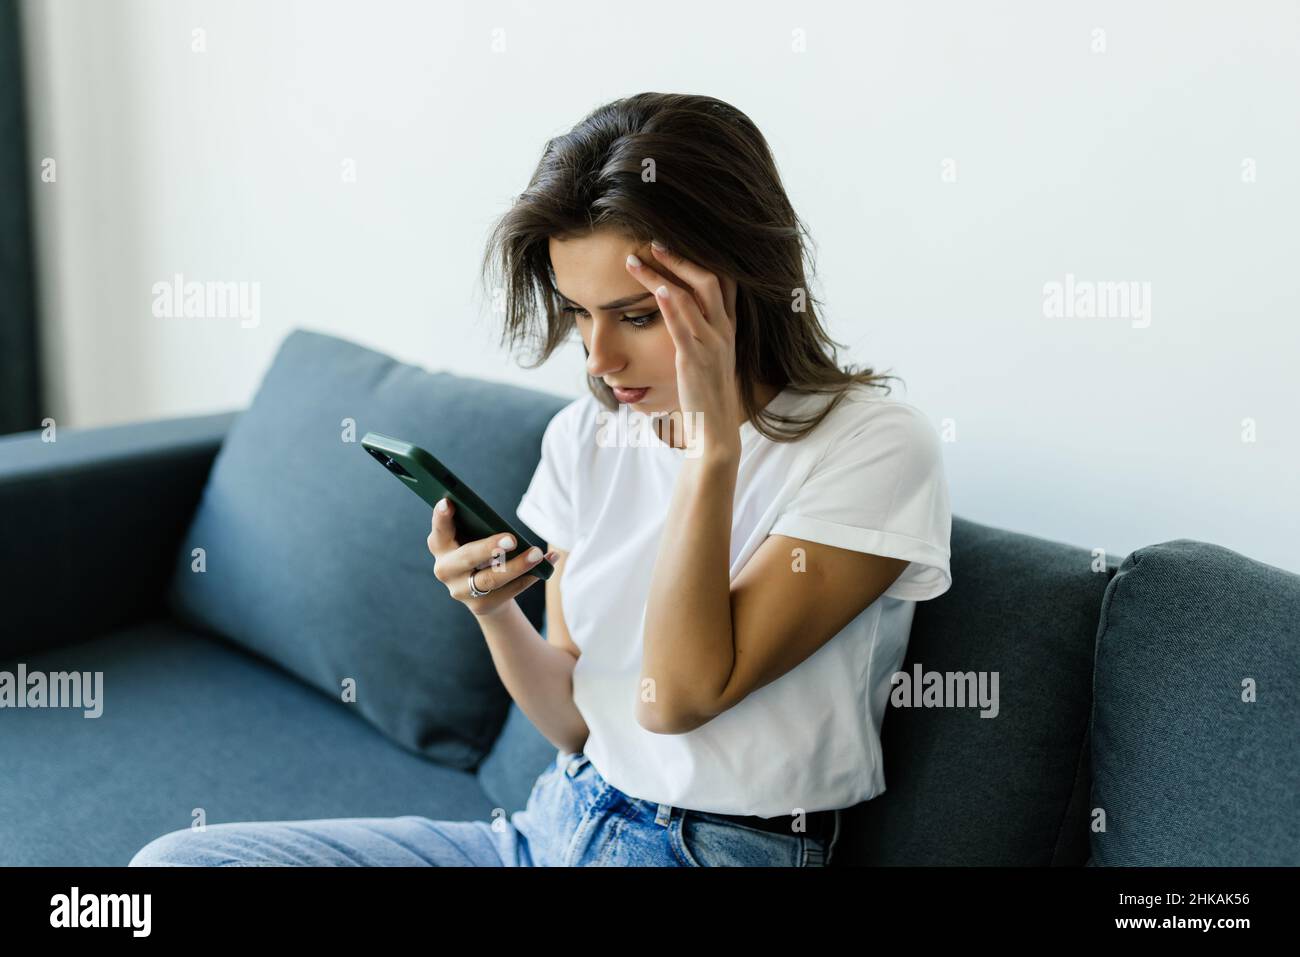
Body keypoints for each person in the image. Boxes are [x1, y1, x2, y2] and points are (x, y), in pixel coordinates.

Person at [128, 91, 952, 868]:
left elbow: (678, 698)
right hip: (554, 820)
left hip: (716, 847)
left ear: (736, 283)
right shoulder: (585, 437)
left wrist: (710, 451)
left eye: (636, 315)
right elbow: (572, 721)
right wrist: (491, 610)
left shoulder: (871, 446)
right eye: (578, 315)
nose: (598, 359)